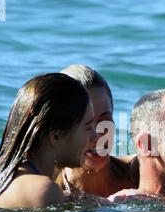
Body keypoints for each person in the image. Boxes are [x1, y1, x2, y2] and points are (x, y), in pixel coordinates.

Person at [0, 73, 96, 209]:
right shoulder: (45, 191)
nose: (95, 137)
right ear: (55, 136)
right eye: (89, 127)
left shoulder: (2, 180)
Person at [54, 64, 139, 198]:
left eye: (104, 120)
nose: (98, 134)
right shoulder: (50, 193)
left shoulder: (139, 174)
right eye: (84, 124)